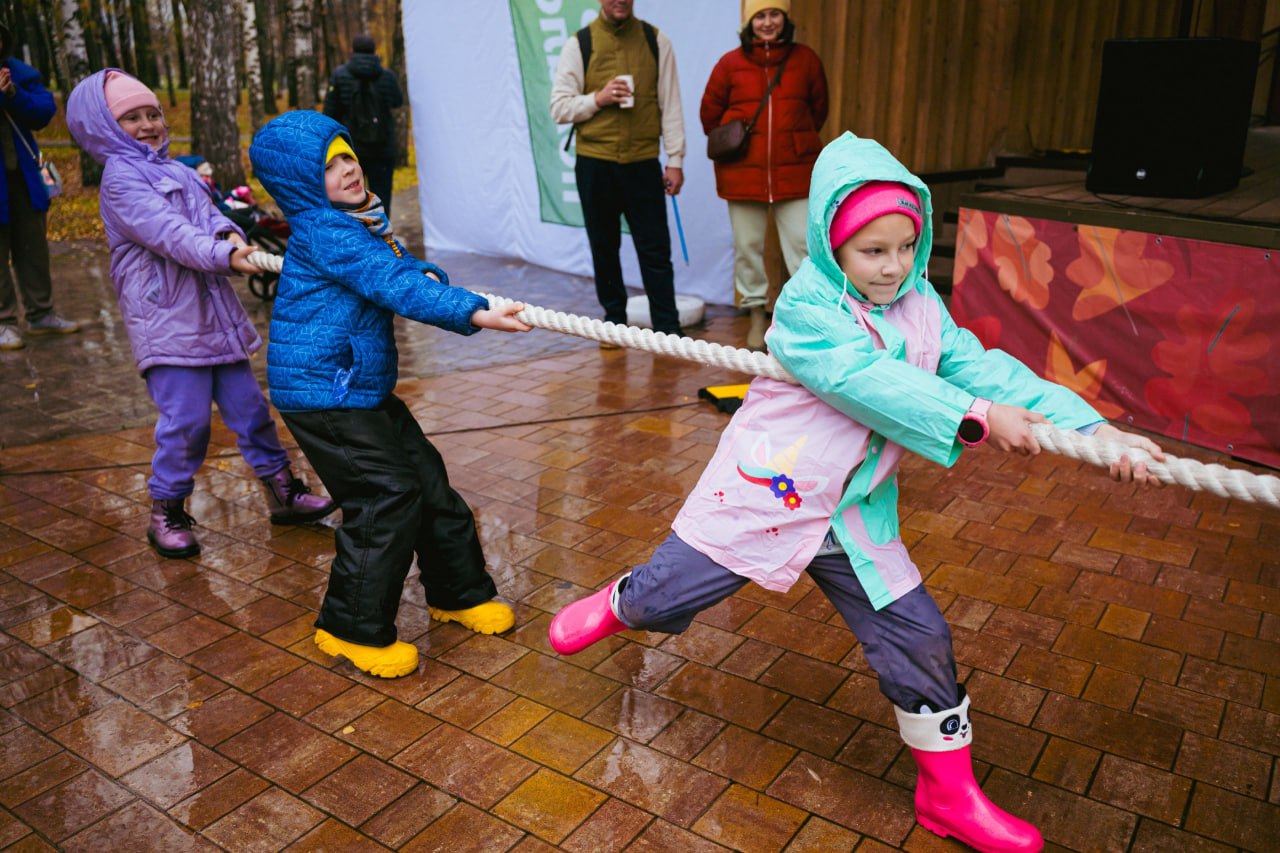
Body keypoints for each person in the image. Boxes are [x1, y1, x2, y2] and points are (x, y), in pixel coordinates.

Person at [548, 133, 1167, 853]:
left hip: (852, 513)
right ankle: (625, 599)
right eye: (874, 250)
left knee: (921, 636)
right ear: (833, 243)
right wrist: (971, 418)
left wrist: (1093, 429)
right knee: (667, 595)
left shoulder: (921, 303)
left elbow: (986, 370)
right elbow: (868, 383)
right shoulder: (808, 308)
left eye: (907, 245)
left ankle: (948, 794)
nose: (895, 265)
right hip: (767, 494)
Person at [249, 110, 533, 679]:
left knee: (428, 483)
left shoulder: (358, 222)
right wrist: (473, 311)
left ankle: (457, 592)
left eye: (347, 155)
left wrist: (430, 278)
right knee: (386, 498)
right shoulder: (329, 230)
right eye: (328, 166)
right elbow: (391, 283)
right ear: (301, 182)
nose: (347, 170)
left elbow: (394, 269)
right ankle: (347, 628)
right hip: (325, 395)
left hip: (357, 387)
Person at [65, 70, 335, 559]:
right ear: (104, 127)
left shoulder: (179, 171)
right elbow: (170, 233)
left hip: (213, 316)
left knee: (251, 412)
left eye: (153, 114)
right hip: (165, 321)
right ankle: (165, 508)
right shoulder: (121, 182)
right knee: (187, 422)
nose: (148, 124)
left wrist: (230, 235)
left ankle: (283, 492)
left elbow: (208, 216)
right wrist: (222, 254)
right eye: (131, 118)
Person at [550, 0, 685, 338]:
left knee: (655, 250)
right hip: (596, 163)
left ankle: (668, 330)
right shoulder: (580, 42)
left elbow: (671, 105)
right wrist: (598, 98)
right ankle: (614, 324)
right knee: (604, 247)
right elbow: (559, 108)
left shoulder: (657, 41)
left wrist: (676, 159)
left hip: (642, 163)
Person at [700, 0, 827, 350]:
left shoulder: (806, 60)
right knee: (748, 248)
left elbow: (819, 110)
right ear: (748, 22)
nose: (768, 22)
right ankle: (757, 314)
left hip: (795, 173)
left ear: (785, 18)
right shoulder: (729, 64)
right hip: (742, 175)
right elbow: (709, 116)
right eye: (760, 16)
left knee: (803, 249)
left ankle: (804, 318)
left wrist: (791, 141)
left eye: (774, 14)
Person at [0, 22, 79, 351]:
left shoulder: (18, 73)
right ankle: (3, 321)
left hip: (21, 177)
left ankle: (40, 313)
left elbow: (44, 111)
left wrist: (11, 94)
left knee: (32, 247)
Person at [322, 34, 403, 215]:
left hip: (352, 150)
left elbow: (329, 112)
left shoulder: (340, 75)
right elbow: (397, 101)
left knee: (352, 196)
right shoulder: (387, 76)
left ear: (353, 50)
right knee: (382, 195)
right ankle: (383, 236)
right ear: (374, 51)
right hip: (383, 147)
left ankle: (357, 237)